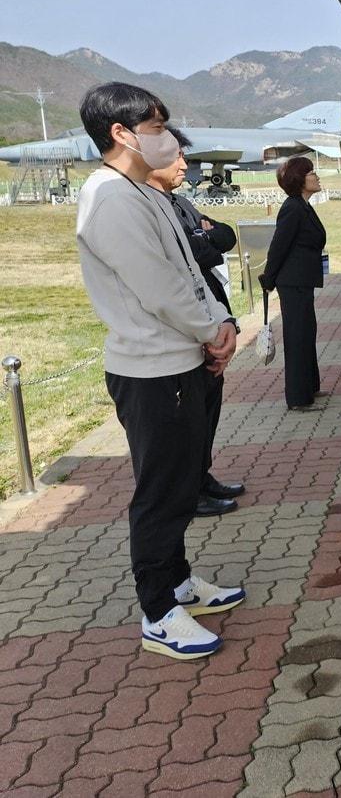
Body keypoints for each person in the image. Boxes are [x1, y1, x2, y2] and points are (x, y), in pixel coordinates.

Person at [75, 82, 245, 661]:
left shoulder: (142, 191)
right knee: (162, 494)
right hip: (152, 371)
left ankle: (178, 583)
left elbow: (192, 272)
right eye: (155, 127)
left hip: (183, 359)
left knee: (180, 481)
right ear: (120, 133)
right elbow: (159, 288)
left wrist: (220, 323)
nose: (167, 137)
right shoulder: (110, 198)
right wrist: (210, 331)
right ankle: (158, 612)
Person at [144, 127, 244, 518]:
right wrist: (201, 243)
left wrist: (203, 238)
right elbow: (181, 262)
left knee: (208, 413)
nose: (184, 165)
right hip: (187, 332)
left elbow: (225, 236)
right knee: (187, 423)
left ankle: (202, 477)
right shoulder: (148, 208)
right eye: (175, 158)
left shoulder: (181, 203)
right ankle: (189, 491)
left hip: (212, 317)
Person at [260, 157, 328, 411]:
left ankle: (310, 385)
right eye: (311, 172)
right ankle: (298, 398)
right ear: (300, 179)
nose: (316, 176)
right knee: (297, 335)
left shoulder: (303, 206)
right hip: (292, 282)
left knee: (307, 331)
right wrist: (268, 278)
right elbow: (279, 246)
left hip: (302, 281)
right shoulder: (292, 208)